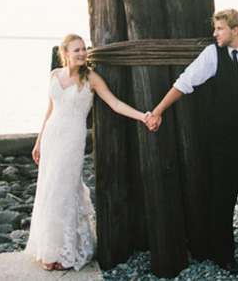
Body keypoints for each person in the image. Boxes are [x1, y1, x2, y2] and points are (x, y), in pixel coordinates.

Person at [147, 8, 238, 276]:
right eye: (215, 28)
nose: (214, 34)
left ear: (235, 30)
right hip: (225, 138)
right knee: (224, 197)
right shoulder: (212, 54)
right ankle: (223, 256)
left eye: (219, 29)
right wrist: (157, 111)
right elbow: (184, 83)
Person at [25, 33, 151, 271]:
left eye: (84, 49)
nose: (83, 53)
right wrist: (39, 141)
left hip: (72, 139)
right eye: (77, 50)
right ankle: (50, 249)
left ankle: (67, 252)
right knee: (49, 190)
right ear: (64, 54)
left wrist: (142, 116)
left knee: (64, 190)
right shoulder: (55, 75)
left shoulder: (91, 78)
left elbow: (115, 103)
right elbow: (49, 111)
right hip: (52, 137)